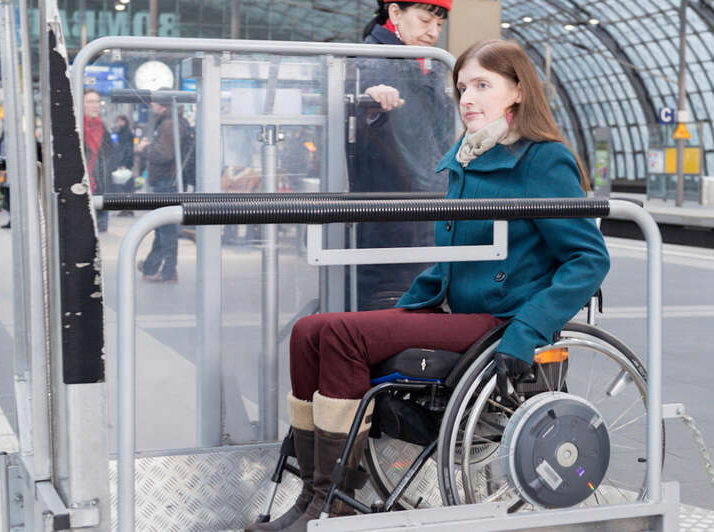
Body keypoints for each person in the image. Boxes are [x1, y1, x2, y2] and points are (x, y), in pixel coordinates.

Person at [246, 40, 610, 532]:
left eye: (482, 85)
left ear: (518, 91)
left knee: (341, 336)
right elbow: (454, 257)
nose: (467, 97)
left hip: (502, 321)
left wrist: (527, 330)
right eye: (462, 87)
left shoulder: (543, 161)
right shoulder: (467, 157)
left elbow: (588, 259)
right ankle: (312, 494)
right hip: (456, 313)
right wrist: (409, 307)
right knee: (309, 331)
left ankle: (331, 499)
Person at [351, 0, 456, 310]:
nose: (433, 32)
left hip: (416, 210)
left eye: (439, 25)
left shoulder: (425, 63)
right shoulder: (372, 63)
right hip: (397, 212)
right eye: (425, 20)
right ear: (395, 13)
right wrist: (370, 104)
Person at [135, 100, 179, 283]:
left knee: (166, 229)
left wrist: (145, 148)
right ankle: (151, 266)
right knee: (162, 228)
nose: (151, 105)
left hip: (166, 182)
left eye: (154, 102)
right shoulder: (169, 122)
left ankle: (169, 272)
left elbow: (165, 154)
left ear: (162, 104)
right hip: (167, 180)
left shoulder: (168, 125)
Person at [82, 89, 114, 232]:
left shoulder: (103, 129)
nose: (95, 105)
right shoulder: (75, 128)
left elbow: (109, 158)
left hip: (100, 188)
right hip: (80, 187)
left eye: (97, 102)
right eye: (90, 102)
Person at [112, 115, 136, 217]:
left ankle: (126, 208)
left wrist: (124, 163)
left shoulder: (125, 133)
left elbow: (126, 149)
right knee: (126, 186)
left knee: (124, 187)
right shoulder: (123, 132)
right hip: (124, 162)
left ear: (125, 121)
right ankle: (128, 208)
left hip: (124, 163)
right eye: (118, 121)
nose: (119, 123)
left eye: (120, 121)